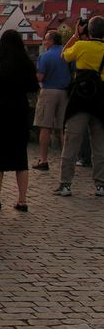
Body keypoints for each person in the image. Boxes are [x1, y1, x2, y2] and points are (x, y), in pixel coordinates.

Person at [0, 30, 39, 210]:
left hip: (1, 110)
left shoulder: (0, 65)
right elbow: (33, 86)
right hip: (20, 110)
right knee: (20, 156)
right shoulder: (27, 64)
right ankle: (22, 199)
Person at [54, 15, 104, 197]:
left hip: (80, 99)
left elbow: (64, 55)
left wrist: (75, 35)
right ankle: (100, 185)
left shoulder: (81, 46)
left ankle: (65, 184)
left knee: (71, 142)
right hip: (100, 100)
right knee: (100, 145)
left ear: (88, 31)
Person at [32, 30, 72, 171]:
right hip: (65, 92)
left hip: (49, 91)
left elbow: (40, 77)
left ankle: (43, 160)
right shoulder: (67, 53)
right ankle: (66, 159)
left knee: (45, 126)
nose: (44, 42)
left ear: (51, 41)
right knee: (62, 128)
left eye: (46, 39)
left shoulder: (45, 56)